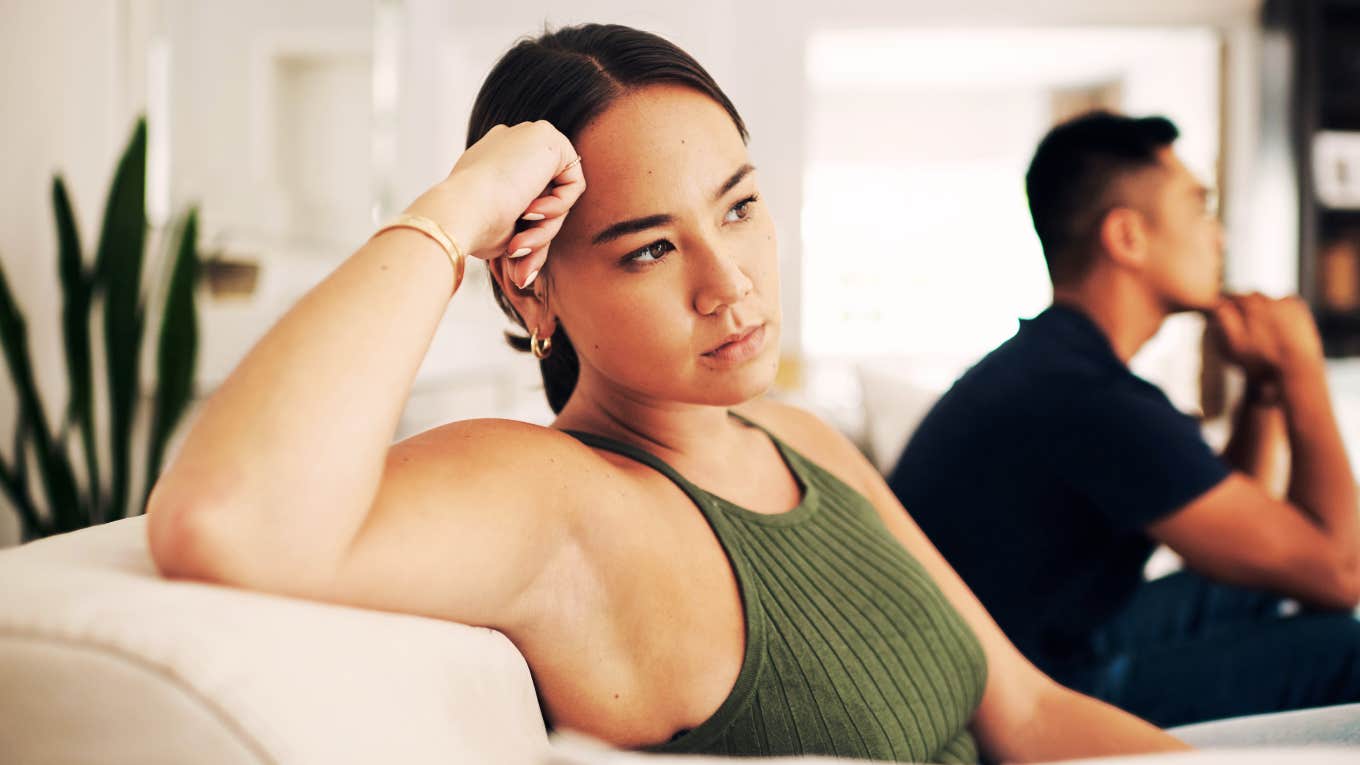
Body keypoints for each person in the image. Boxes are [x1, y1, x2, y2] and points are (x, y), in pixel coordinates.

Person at [145, 25, 1185, 762]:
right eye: (648, 250)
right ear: (533, 279)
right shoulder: (559, 500)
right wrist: (456, 212)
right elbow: (228, 520)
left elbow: (1033, 716)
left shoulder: (795, 436)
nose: (728, 283)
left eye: (737, 208)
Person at [888, 110, 1360, 728]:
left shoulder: (1056, 366)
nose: (1218, 237)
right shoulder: (1089, 398)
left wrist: (1265, 388)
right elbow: (1339, 572)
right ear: (1127, 237)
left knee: (1264, 586)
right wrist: (1303, 364)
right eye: (1200, 208)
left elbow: (1239, 525)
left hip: (1034, 645)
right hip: (1024, 697)